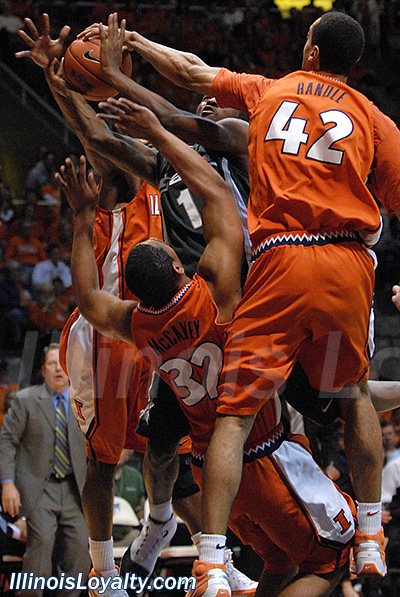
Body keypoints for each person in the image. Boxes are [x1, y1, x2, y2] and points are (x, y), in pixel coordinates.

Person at [96, 10, 400, 585]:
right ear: (354, 64)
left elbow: (190, 77)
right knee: (353, 395)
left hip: (279, 262)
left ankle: (212, 559)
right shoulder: (372, 116)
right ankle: (369, 534)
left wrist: (131, 51)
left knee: (233, 418)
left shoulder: (269, 94)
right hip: (345, 263)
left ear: (310, 52)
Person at [59, 100, 360, 597]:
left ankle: (165, 526)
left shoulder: (139, 326)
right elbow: (218, 197)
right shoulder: (218, 295)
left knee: (280, 562)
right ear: (179, 266)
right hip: (263, 455)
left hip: (211, 477)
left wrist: (81, 216)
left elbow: (90, 300)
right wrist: (168, 134)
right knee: (333, 561)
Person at [0, 343, 90, 597]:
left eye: (62, 364)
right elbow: (7, 442)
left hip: (75, 488)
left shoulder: (84, 401)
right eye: (52, 363)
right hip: (40, 487)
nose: (58, 369)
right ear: (43, 370)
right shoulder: (25, 400)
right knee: (41, 545)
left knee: (80, 552)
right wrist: (7, 483)